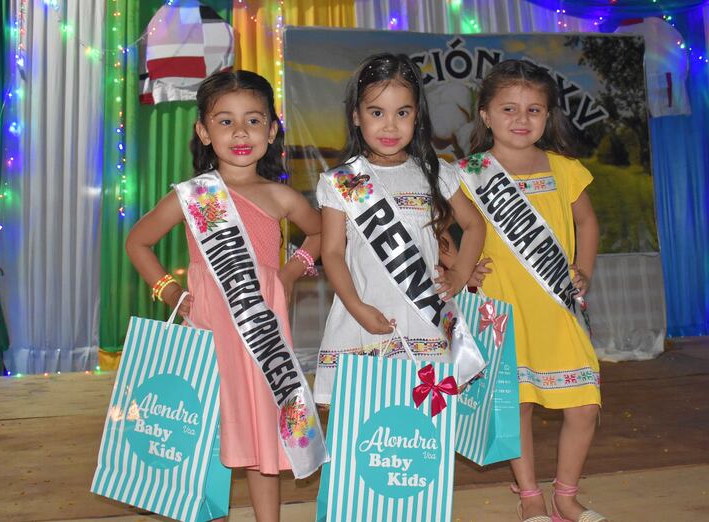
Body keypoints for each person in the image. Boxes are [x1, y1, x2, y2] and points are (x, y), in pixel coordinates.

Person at [125, 70, 322, 522]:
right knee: (209, 428)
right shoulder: (195, 196)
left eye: (253, 121)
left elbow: (322, 234)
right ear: (203, 131)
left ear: (272, 131)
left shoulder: (281, 196)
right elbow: (138, 242)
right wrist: (169, 289)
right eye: (225, 121)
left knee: (261, 426)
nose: (240, 133)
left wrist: (291, 274)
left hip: (262, 334)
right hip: (210, 330)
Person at [456, 59, 605, 522]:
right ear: (484, 114)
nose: (522, 120)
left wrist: (583, 268)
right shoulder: (467, 172)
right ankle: (530, 498)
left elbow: (587, 221)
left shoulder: (565, 168)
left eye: (534, 110)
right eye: (508, 109)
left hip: (556, 305)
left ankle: (565, 495)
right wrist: (461, 268)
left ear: (548, 116)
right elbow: (440, 230)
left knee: (583, 404)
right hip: (501, 308)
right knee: (515, 403)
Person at [313, 52, 486, 404]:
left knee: (426, 420)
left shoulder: (436, 172)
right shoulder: (340, 181)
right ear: (356, 117)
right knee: (364, 417)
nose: (390, 126)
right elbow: (330, 253)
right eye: (377, 113)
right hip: (364, 310)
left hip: (425, 315)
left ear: (417, 117)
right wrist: (356, 307)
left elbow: (474, 225)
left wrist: (461, 273)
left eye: (402, 113)